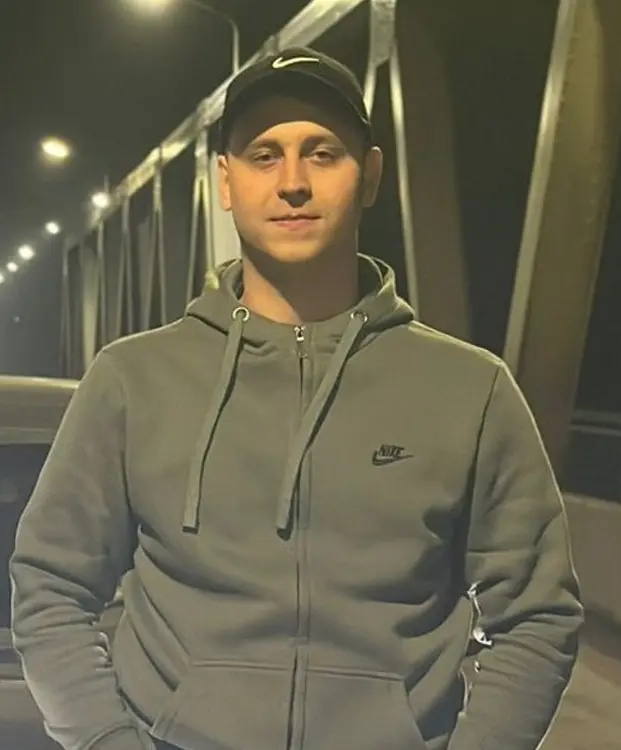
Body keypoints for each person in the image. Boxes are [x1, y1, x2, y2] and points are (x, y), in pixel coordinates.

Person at [10, 47, 583, 750]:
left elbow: (538, 617)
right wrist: (105, 739)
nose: (292, 183)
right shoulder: (133, 379)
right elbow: (50, 586)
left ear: (370, 175)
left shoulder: (470, 388)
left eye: (322, 153)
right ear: (225, 182)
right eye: (263, 155)